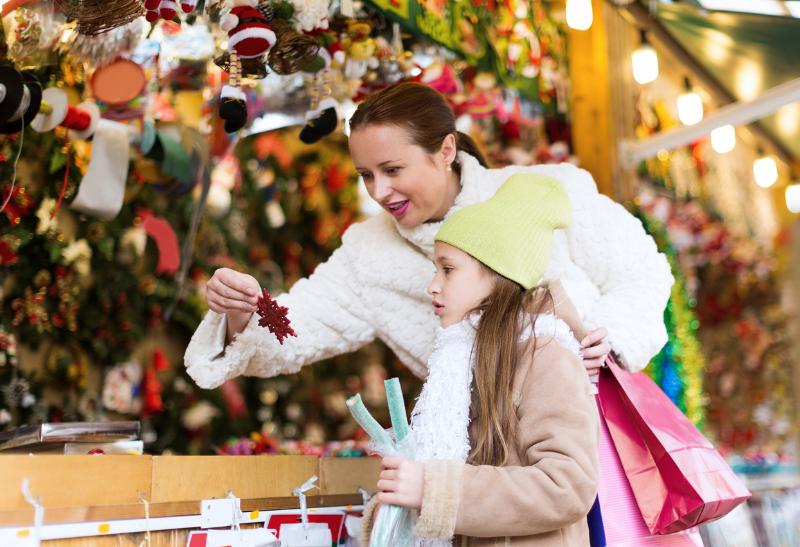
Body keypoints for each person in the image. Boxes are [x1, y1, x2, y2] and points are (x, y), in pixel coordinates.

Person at [184, 82, 673, 390]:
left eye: (392, 169)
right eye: (365, 175)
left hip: (599, 438)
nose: (379, 191)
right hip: (488, 469)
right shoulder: (368, 252)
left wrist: (607, 340)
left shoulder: (548, 190)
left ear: (445, 151)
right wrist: (245, 310)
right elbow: (294, 332)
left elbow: (643, 274)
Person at [364, 173, 598, 546]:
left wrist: (434, 489)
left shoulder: (545, 355)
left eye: (448, 269)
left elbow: (567, 486)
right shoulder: (460, 361)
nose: (433, 285)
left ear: (496, 274)